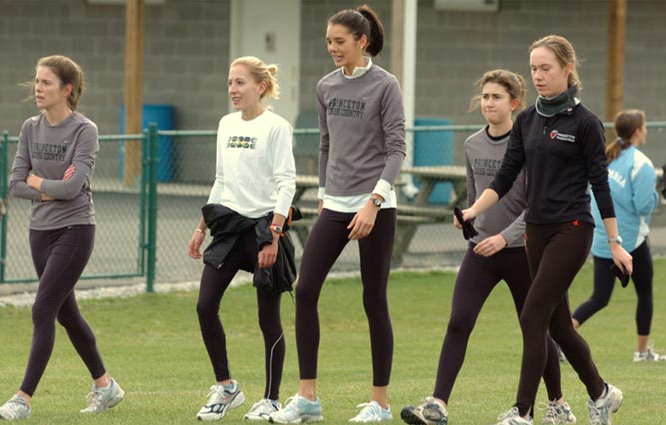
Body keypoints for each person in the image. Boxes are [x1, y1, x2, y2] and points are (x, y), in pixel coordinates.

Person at [458, 35, 633, 425]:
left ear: (567, 70)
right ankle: (602, 393)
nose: (537, 75)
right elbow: (505, 177)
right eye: (533, 68)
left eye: (545, 68)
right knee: (558, 326)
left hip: (571, 229)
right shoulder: (527, 121)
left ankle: (522, 412)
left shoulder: (586, 123)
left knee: (532, 314)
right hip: (534, 231)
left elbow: (600, 185)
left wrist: (617, 244)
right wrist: (472, 209)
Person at [400, 69, 576, 425]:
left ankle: (557, 404)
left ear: (514, 103)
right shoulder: (471, 144)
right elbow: (474, 194)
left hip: (523, 252)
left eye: (496, 97)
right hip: (481, 252)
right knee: (459, 322)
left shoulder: (530, 145)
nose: (488, 103)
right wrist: (466, 218)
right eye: (484, 97)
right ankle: (438, 404)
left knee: (536, 330)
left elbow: (536, 207)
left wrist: (505, 237)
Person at [270, 5, 406, 424]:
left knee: (373, 298)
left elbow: (397, 149)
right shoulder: (326, 86)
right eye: (329, 41)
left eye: (340, 42)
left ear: (361, 42)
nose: (332, 48)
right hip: (336, 203)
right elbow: (326, 145)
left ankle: (380, 404)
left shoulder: (386, 85)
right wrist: (327, 196)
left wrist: (374, 202)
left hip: (376, 205)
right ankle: (307, 398)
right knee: (306, 289)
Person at [0, 55, 124, 420]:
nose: (37, 88)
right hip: (40, 232)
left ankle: (22, 400)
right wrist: (47, 189)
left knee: (43, 309)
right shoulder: (30, 128)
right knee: (67, 314)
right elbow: (17, 184)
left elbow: (74, 188)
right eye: (36, 81)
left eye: (46, 82)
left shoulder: (85, 130)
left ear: (67, 89)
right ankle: (105, 385)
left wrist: (40, 183)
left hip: (75, 230)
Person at [187, 56, 296, 421]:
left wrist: (274, 236)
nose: (232, 89)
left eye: (240, 83)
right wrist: (201, 228)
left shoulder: (277, 126)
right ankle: (227, 387)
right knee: (205, 306)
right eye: (230, 83)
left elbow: (286, 183)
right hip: (228, 228)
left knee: (269, 319)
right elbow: (220, 178)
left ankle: (271, 398)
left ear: (260, 87)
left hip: (265, 230)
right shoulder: (225, 124)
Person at [571, 109, 664, 362]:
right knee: (644, 292)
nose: (645, 131)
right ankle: (642, 352)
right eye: (644, 128)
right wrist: (660, 193)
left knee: (599, 297)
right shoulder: (640, 163)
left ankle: (561, 337)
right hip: (630, 240)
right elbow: (644, 206)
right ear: (637, 132)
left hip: (603, 238)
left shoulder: (608, 156)